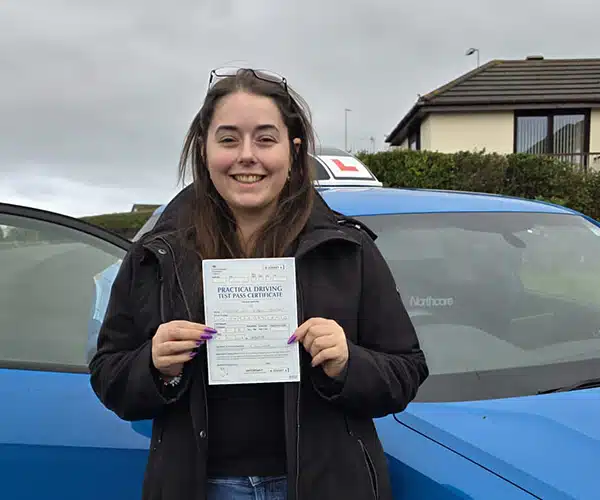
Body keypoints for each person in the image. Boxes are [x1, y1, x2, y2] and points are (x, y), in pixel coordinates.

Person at [89, 67, 429, 500]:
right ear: (204, 148)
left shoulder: (347, 250)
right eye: (229, 139)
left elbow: (406, 370)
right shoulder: (157, 254)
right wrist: (154, 366)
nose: (247, 156)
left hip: (327, 486)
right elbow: (109, 374)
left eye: (266, 139)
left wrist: (348, 363)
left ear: (293, 150)